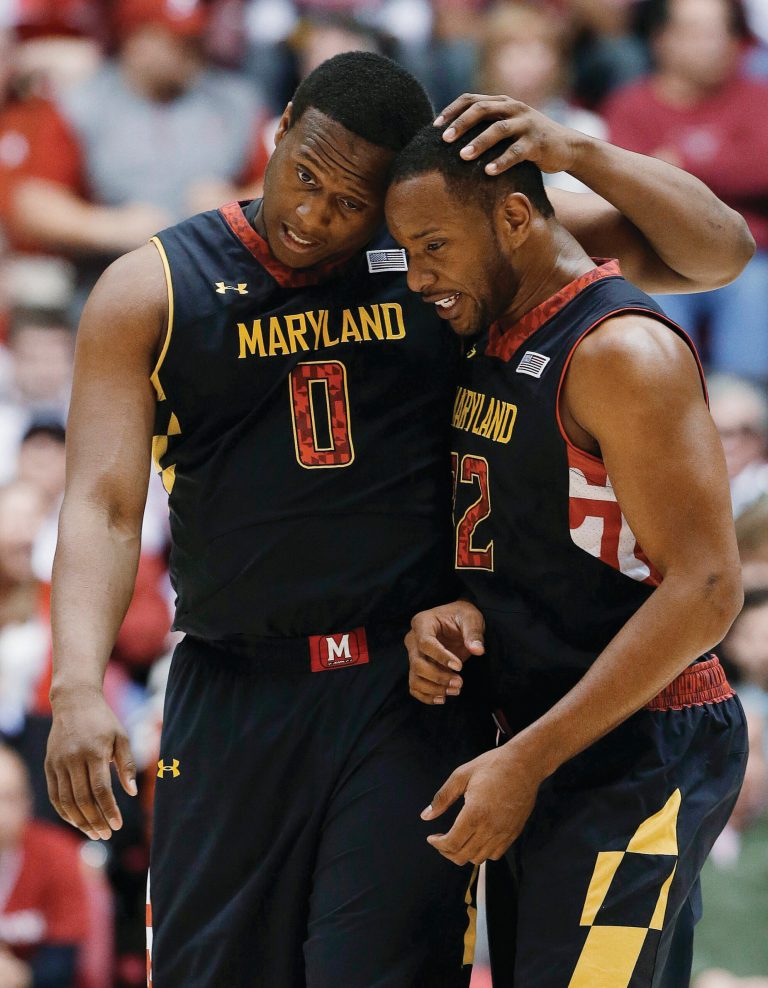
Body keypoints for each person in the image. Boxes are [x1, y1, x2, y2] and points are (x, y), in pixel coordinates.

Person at [44, 53, 754, 986]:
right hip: (235, 684)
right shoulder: (154, 288)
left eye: (350, 200)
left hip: (406, 693)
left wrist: (578, 149)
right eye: (303, 175)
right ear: (282, 118)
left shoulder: (437, 240)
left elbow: (718, 252)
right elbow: (101, 502)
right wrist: (77, 686)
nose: (313, 214)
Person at [387, 104, 748, 985]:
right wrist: (461, 608)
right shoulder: (492, 319)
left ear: (514, 217)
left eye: (434, 246)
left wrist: (578, 150)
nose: (418, 277)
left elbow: (706, 589)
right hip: (550, 733)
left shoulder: (620, 351)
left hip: (636, 746)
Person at [603, 0, 768, 378]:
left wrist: (675, 171)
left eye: (724, 31)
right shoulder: (630, 105)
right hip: (660, 256)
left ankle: (746, 417)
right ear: (662, 39)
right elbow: (624, 193)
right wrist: (721, 173)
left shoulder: (760, 97)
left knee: (755, 288)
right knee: (646, 295)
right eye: (699, 32)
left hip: (751, 258)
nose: (716, 43)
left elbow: (762, 169)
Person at [0, 744, 88, 988]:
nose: (2, 812)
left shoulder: (57, 852)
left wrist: (19, 977)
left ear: (28, 801)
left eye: (10, 798)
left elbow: (64, 961)